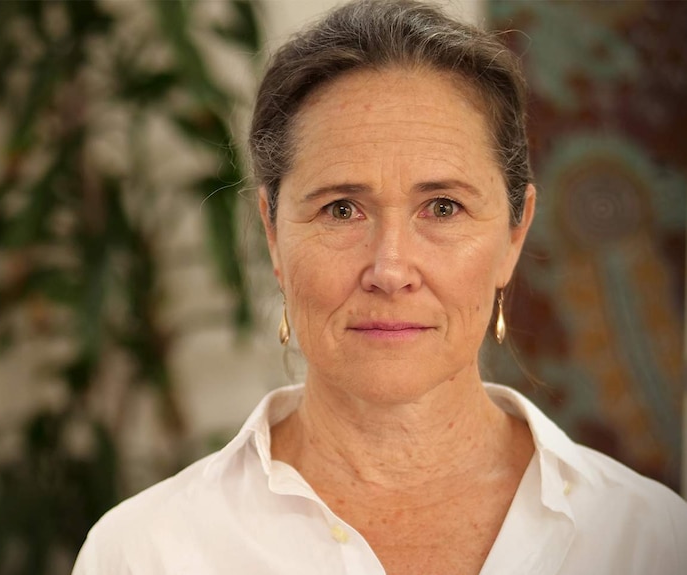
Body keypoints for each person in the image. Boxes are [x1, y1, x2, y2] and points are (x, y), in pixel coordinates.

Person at [72, 1, 687, 573]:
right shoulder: (147, 551)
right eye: (342, 210)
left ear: (515, 232)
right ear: (272, 233)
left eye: (442, 208)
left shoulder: (650, 539)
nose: (390, 270)